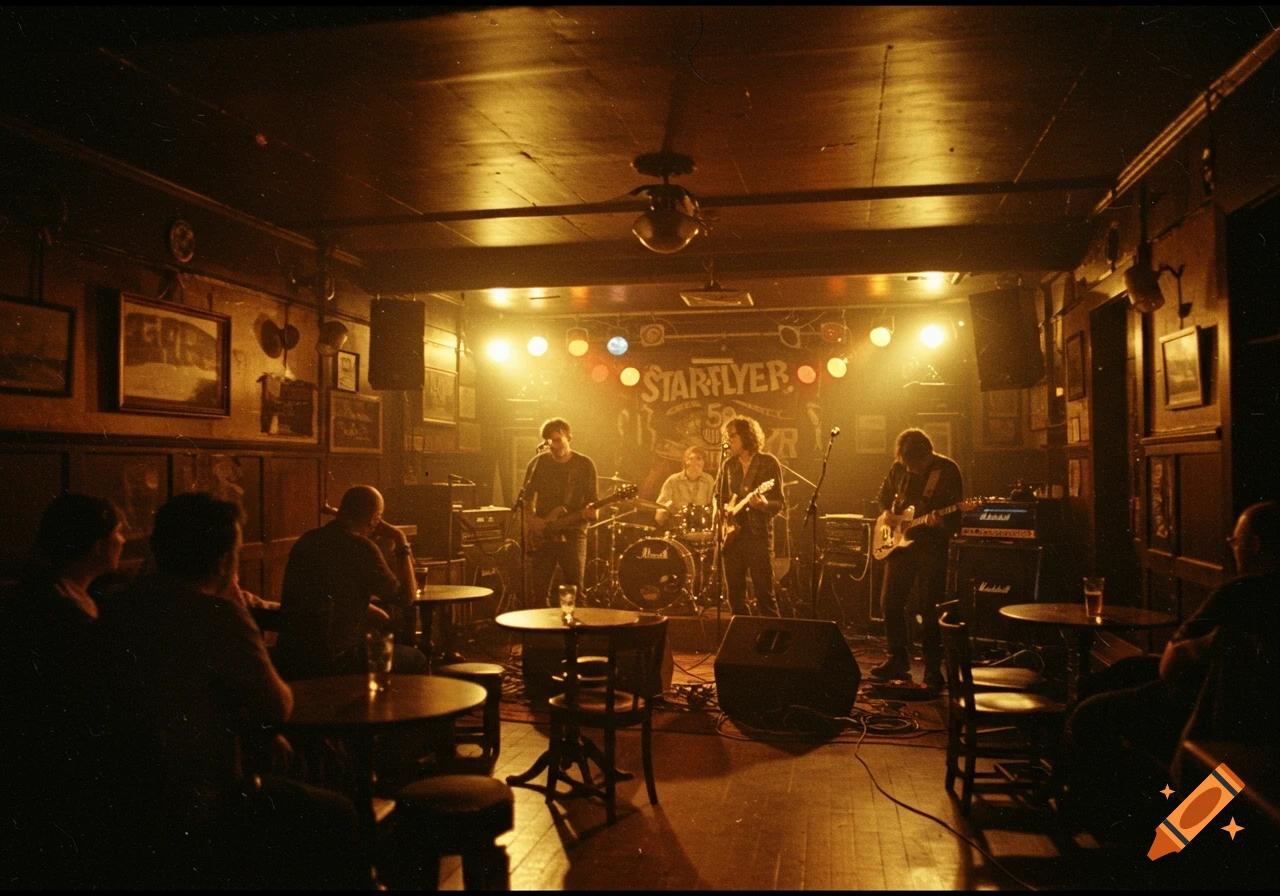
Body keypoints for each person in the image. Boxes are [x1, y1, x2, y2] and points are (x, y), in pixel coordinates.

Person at [89, 492, 367, 888]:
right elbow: (279, 705)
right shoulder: (216, 614)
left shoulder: (118, 606)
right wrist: (235, 607)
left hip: (123, 802)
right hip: (205, 802)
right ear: (224, 559)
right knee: (338, 809)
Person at [1064, 501, 1280, 831]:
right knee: (1120, 673)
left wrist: (1204, 646)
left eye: (1235, 541)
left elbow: (1169, 667)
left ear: (1255, 545)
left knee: (1088, 715)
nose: (1233, 549)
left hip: (1191, 707)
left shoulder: (1238, 592)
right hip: (1246, 717)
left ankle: (1119, 819)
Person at [0, 493, 125, 889]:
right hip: (55, 765)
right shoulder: (55, 611)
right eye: (118, 533)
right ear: (96, 545)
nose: (124, 540)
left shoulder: (61, 592)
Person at [277, 484, 426, 677]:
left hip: (292, 656)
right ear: (375, 518)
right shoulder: (363, 548)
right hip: (337, 660)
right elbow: (406, 598)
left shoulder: (308, 540)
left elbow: (326, 595)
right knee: (416, 659)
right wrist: (400, 539)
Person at [871, 428, 963, 690]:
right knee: (889, 602)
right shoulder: (899, 468)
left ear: (927, 454)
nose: (910, 470)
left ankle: (934, 669)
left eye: (915, 465)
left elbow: (956, 514)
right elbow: (883, 498)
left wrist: (939, 521)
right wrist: (887, 512)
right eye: (907, 465)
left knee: (929, 607)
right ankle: (896, 660)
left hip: (931, 546)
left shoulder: (946, 469)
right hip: (900, 546)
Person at [521, 417, 599, 606]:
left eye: (558, 440)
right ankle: (543, 631)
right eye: (550, 442)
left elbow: (593, 501)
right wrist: (533, 521)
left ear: (569, 438)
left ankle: (571, 628)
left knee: (573, 589)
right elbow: (526, 497)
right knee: (539, 591)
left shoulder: (584, 465)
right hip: (544, 533)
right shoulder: (539, 463)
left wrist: (592, 513)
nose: (554, 446)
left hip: (573, 533)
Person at [716, 415, 785, 616]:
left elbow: (779, 503)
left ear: (747, 436)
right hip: (731, 537)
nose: (728, 440)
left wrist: (763, 504)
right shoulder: (729, 465)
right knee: (735, 596)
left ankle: (773, 639)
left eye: (733, 436)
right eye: (727, 436)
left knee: (764, 593)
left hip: (758, 536)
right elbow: (718, 496)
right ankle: (742, 638)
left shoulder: (767, 462)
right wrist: (722, 511)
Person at [655, 444, 716, 532]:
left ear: (704, 462)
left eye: (699, 459)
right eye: (690, 459)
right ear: (685, 462)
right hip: (677, 528)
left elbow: (714, 505)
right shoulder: (673, 480)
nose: (694, 462)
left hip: (702, 528)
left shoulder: (709, 480)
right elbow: (661, 506)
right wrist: (664, 511)